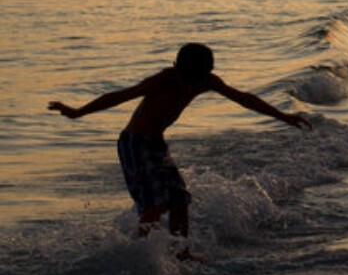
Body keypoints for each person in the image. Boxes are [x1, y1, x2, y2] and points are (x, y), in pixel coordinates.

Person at [48, 43, 312, 260]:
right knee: (154, 203)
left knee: (179, 199)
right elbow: (120, 96)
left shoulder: (206, 81)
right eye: (189, 72)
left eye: (200, 73)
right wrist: (77, 112)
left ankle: (181, 253)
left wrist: (283, 116)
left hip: (156, 144)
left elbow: (244, 98)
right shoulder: (166, 78)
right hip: (135, 143)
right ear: (178, 66)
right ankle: (141, 256)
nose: (191, 80)